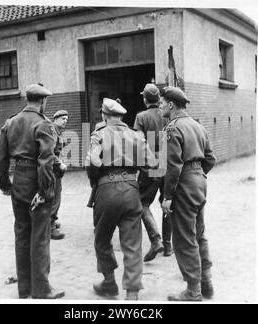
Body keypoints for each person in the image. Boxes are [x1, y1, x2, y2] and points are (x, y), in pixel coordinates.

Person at [0, 83, 65, 299]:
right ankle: (42, 289)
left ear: (27, 99)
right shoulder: (44, 125)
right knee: (40, 237)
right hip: (36, 182)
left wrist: (6, 185)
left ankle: (24, 288)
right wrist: (43, 191)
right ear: (43, 101)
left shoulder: (11, 122)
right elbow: (45, 161)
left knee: (22, 234)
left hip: (19, 181)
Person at [86, 98, 157, 300]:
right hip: (131, 190)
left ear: (104, 115)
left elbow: (91, 165)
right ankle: (132, 294)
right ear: (121, 116)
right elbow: (153, 165)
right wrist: (139, 185)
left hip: (105, 190)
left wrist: (97, 182)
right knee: (132, 244)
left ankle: (109, 283)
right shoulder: (137, 135)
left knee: (101, 239)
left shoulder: (98, 135)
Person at [160, 86, 216, 301]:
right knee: (199, 233)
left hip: (183, 184)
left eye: (163, 103)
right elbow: (210, 159)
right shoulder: (198, 126)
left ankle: (193, 291)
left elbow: (172, 166)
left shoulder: (172, 128)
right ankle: (206, 283)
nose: (161, 106)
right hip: (199, 182)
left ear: (171, 105)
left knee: (184, 239)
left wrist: (167, 197)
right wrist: (197, 174)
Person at [134, 83, 172, 262]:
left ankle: (156, 240)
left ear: (144, 99)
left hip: (151, 165)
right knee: (167, 202)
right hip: (168, 163)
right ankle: (168, 245)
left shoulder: (141, 117)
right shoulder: (167, 115)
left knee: (142, 203)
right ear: (158, 99)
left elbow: (138, 143)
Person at [50, 110, 68, 240]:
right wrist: (59, 163)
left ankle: (52, 220)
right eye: (62, 118)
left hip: (55, 170)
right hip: (52, 169)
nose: (65, 121)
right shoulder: (52, 132)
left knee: (57, 195)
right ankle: (50, 228)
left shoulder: (57, 132)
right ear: (55, 119)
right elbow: (49, 151)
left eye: (66, 119)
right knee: (54, 197)